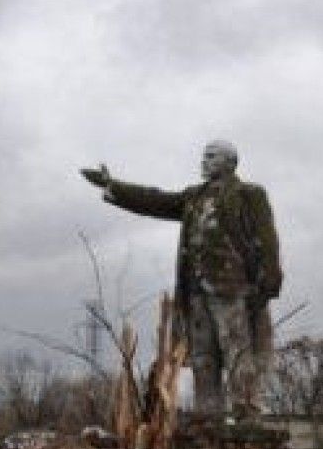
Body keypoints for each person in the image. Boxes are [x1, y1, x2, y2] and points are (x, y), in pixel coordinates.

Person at [81, 141, 281, 419]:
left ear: (230, 162)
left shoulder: (250, 195)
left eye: (211, 157)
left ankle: (246, 412)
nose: (204, 161)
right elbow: (155, 200)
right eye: (204, 156)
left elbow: (267, 240)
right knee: (202, 355)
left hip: (233, 287)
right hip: (195, 291)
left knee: (237, 351)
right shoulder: (193, 197)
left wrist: (269, 283)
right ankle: (208, 414)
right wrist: (112, 184)